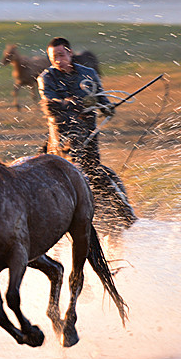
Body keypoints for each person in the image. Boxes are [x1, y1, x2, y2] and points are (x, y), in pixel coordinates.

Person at [37, 37, 136, 226]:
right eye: (53, 57)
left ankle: (124, 211)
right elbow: (50, 106)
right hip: (63, 139)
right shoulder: (46, 78)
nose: (58, 60)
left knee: (97, 173)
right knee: (76, 172)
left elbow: (102, 100)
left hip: (89, 136)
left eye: (61, 55)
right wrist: (69, 102)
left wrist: (107, 108)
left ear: (70, 53)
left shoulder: (88, 73)